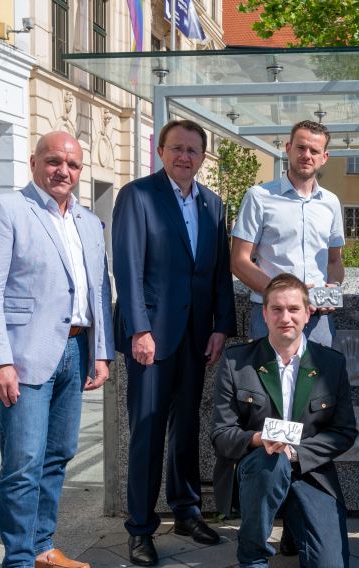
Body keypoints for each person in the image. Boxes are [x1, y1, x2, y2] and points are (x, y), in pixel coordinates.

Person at [0, 131, 113, 568]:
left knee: (57, 456)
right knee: (23, 462)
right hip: (23, 357)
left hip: (75, 352)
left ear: (80, 171)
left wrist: (100, 353)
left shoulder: (88, 222)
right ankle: (18, 558)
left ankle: (44, 547)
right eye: (53, 161)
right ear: (33, 163)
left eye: (71, 164)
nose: (62, 171)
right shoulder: (5, 210)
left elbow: (98, 292)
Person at [113, 119, 237, 566]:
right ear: (161, 151)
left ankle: (185, 511)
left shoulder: (213, 204)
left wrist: (223, 325)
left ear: (203, 158)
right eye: (177, 148)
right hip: (152, 336)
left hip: (197, 337)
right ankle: (141, 529)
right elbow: (127, 268)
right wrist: (138, 330)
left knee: (187, 428)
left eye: (193, 151)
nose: (185, 157)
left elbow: (220, 272)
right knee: (147, 432)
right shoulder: (138, 196)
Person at [212, 273, 357, 568]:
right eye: (276, 309)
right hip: (257, 469)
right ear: (264, 314)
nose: (285, 317)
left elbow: (343, 431)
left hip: (309, 471)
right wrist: (256, 439)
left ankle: (295, 529)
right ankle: (252, 555)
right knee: (273, 462)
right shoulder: (236, 362)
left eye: (293, 309)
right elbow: (221, 433)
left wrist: (296, 453)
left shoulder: (331, 364)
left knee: (330, 564)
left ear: (307, 313)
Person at [231, 120, 345, 346]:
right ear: (288, 148)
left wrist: (335, 286)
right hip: (271, 315)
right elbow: (238, 261)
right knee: (266, 381)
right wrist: (283, 296)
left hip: (318, 319)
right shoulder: (259, 196)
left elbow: (334, 261)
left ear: (324, 157)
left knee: (318, 381)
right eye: (301, 148)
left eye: (314, 151)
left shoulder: (331, 202)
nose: (307, 155)